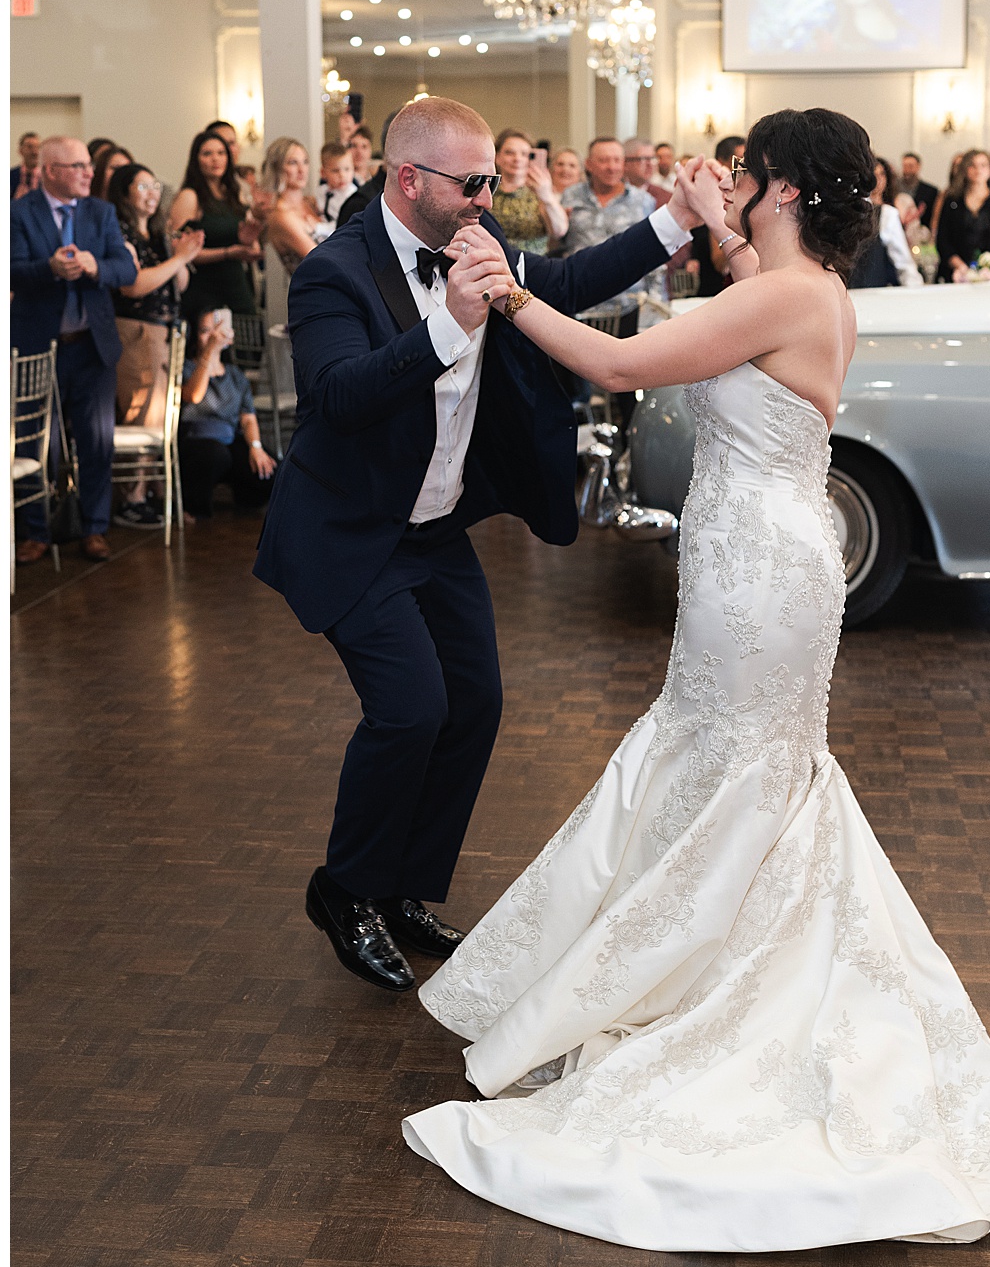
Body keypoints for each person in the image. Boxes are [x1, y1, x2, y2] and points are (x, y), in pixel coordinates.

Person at [401, 107, 990, 1254]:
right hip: (760, 560)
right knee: (724, 757)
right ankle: (686, 960)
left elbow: (626, 362)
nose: (730, 181)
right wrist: (709, 222)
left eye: (745, 171)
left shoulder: (787, 296)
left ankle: (713, 983)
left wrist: (506, 291)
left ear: (783, 189)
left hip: (763, 579)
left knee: (736, 760)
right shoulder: (802, 285)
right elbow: (740, 286)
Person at [253, 96, 704, 994]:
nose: (487, 197)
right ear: (409, 179)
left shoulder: (476, 238)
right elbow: (338, 395)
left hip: (437, 526)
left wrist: (678, 219)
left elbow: (567, 283)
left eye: (492, 181)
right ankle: (344, 891)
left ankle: (407, 886)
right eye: (473, 182)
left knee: (476, 703)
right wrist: (448, 328)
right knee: (411, 708)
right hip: (355, 532)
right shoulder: (333, 273)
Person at [10, 135, 136, 563]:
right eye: (77, 166)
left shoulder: (101, 212)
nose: (89, 172)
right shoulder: (19, 211)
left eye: (88, 164)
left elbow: (125, 267)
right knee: (36, 444)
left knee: (96, 441)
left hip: (92, 347)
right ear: (50, 171)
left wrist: (94, 265)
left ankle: (94, 528)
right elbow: (10, 270)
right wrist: (49, 269)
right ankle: (36, 532)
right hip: (37, 347)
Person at [108, 162, 204, 526]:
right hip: (134, 329)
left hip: (164, 328)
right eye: (143, 186)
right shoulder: (119, 233)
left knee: (159, 413)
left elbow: (178, 284)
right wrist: (180, 258)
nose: (153, 193)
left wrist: (183, 254)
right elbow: (132, 285)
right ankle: (131, 498)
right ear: (125, 192)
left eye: (155, 186)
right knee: (141, 410)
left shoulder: (157, 233)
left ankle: (148, 490)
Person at [179, 308, 276, 518]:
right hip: (196, 441)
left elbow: (248, 418)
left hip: (230, 440)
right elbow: (193, 396)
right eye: (205, 331)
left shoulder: (236, 375)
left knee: (272, 470)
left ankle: (245, 496)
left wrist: (255, 447)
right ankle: (193, 506)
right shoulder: (185, 368)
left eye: (217, 330)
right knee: (215, 455)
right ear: (195, 336)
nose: (213, 335)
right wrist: (209, 353)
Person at [561, 136, 658, 322]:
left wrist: (655, 305)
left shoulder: (643, 201)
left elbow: (653, 253)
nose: (611, 167)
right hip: (580, 301)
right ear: (589, 164)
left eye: (616, 160)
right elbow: (558, 241)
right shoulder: (571, 196)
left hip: (627, 304)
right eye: (603, 160)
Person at [166, 130, 260, 316]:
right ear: (196, 159)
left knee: (249, 340)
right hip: (204, 291)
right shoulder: (190, 197)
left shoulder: (233, 194)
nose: (215, 159)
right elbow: (178, 251)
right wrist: (227, 253)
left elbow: (250, 245)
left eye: (221, 153)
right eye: (207, 154)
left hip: (237, 285)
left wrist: (248, 242)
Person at [488, 128, 568, 255]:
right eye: (510, 153)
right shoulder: (487, 190)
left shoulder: (540, 191)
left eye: (524, 154)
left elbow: (559, 231)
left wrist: (546, 196)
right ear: (497, 157)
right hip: (491, 261)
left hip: (532, 264)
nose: (517, 159)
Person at [935, 150, 990, 283]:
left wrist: (989, 267)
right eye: (972, 165)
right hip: (955, 273)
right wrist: (961, 267)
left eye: (983, 165)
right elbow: (942, 239)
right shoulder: (952, 201)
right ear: (965, 169)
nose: (978, 170)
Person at [852, 156, 922, 287]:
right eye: (873, 175)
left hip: (873, 288)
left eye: (881, 174)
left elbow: (903, 262)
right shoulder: (851, 210)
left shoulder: (887, 212)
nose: (877, 180)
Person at [259, 137, 321, 277]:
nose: (302, 170)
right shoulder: (281, 216)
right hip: (313, 292)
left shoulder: (311, 202)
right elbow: (321, 258)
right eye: (293, 163)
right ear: (277, 167)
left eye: (305, 162)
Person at [315, 141, 357, 230]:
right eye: (335, 171)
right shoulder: (321, 191)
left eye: (347, 169)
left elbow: (344, 223)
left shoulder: (353, 195)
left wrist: (319, 227)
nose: (342, 175)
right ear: (323, 173)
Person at [623, 138, 670, 209]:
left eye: (653, 158)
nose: (650, 164)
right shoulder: (612, 195)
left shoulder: (665, 199)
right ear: (626, 162)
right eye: (643, 159)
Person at [899, 151, 938, 228]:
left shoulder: (931, 192)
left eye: (910, 166)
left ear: (918, 167)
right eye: (904, 166)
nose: (907, 170)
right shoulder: (894, 189)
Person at [11, 130, 40, 200]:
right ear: (20, 151)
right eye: (30, 147)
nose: (35, 152)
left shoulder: (49, 177)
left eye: (38, 147)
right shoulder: (10, 176)